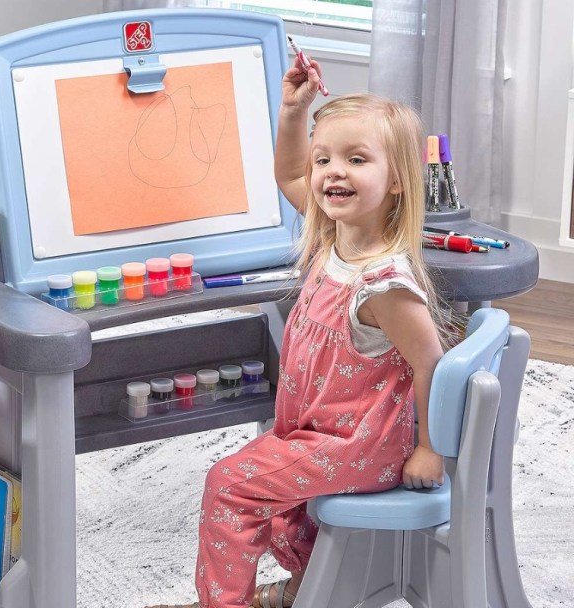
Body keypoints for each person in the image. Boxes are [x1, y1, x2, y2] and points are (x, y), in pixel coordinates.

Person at [148, 55, 451, 608]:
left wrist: (430, 448)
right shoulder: (333, 237)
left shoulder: (384, 285)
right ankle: (310, 589)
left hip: (359, 444)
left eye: (356, 159)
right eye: (325, 159)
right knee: (286, 510)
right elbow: (288, 173)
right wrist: (294, 111)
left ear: (400, 180)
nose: (333, 171)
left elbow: (433, 364)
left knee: (231, 484)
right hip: (319, 429)